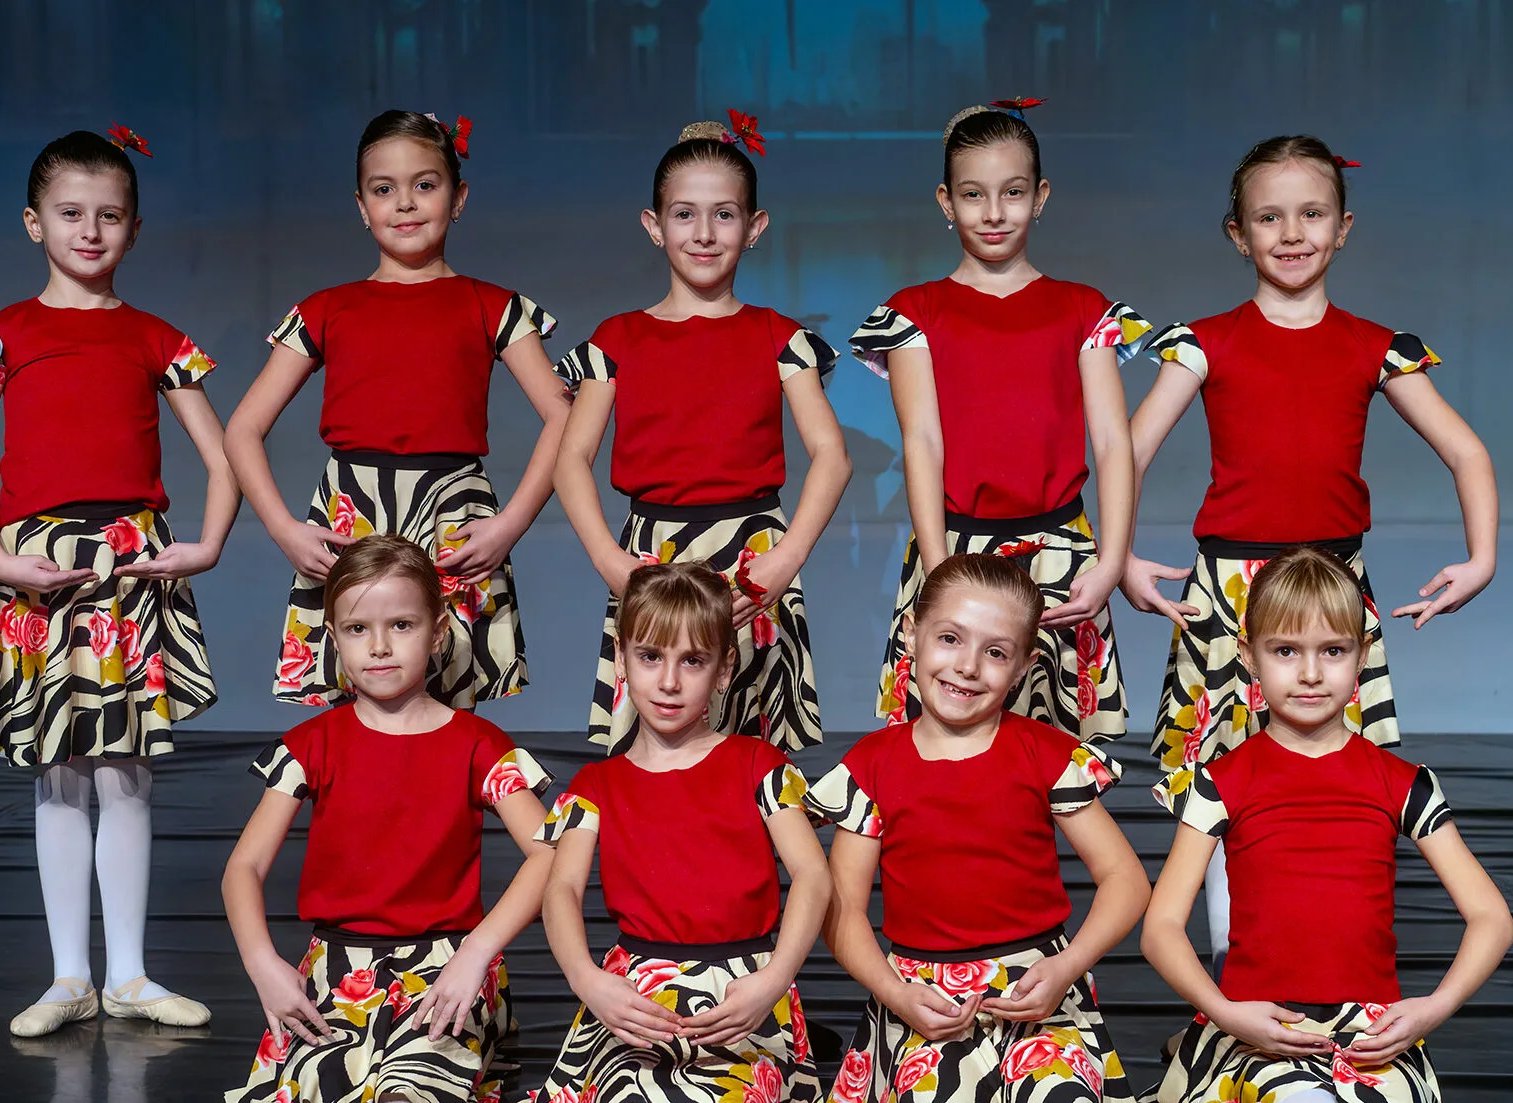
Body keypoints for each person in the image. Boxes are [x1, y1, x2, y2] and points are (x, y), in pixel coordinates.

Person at [1123, 135, 1499, 974]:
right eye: (1270, 217)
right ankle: (1238, 964)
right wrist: (1117, 559)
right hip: (1231, 592)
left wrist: (1482, 559)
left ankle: (1327, 956)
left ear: (1343, 227)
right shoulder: (1203, 343)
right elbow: (1127, 452)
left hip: (1331, 591)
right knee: (1224, 778)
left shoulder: (1375, 345)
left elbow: (1467, 451)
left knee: (1331, 778)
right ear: (1237, 233)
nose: (1292, 233)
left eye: (1311, 214)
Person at [0, 126, 237, 1036]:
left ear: (135, 229)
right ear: (35, 222)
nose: (90, 231)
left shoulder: (156, 338)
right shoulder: (3, 335)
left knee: (126, 771)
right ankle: (69, 976)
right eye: (71, 213)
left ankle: (131, 975)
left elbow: (222, 458)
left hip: (126, 565)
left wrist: (207, 545)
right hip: (37, 569)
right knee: (59, 770)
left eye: (110, 215)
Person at [1141, 547, 1512, 1103]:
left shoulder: (1401, 781)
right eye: (1286, 651)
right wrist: (1228, 1013)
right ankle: (1225, 1077)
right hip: (1263, 1024)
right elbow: (1160, 929)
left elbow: (1492, 918)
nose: (1310, 674)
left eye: (1332, 651)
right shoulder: (1220, 781)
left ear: (1362, 657)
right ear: (1250, 657)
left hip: (1369, 1034)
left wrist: (1431, 1009)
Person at [808, 553, 1159, 1103]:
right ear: (911, 635)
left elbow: (1126, 879)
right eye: (950, 639)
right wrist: (895, 994)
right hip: (926, 1002)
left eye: (995, 652)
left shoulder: (1043, 752)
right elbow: (843, 912)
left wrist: (1066, 967)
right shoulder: (872, 765)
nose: (967, 666)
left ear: (1024, 667)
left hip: (1036, 992)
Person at [223, 110, 567, 709]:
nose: (405, 203)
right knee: (358, 689)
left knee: (450, 690)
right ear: (362, 206)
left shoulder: (493, 306)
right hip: (353, 512)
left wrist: (511, 523)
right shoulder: (326, 310)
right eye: (384, 189)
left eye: (424, 185)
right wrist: (283, 528)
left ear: (459, 198)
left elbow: (565, 417)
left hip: (453, 512)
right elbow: (243, 429)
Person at [224, 536, 554, 1103]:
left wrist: (477, 952)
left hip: (447, 964)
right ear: (333, 638)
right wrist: (262, 963)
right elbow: (243, 868)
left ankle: (457, 1046)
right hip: (339, 966)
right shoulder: (311, 744)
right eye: (358, 629)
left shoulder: (479, 745)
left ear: (438, 631)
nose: (379, 647)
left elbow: (548, 853)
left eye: (401, 625)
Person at [554, 112, 851, 754]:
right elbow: (571, 458)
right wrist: (611, 561)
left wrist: (785, 560)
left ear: (755, 227)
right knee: (655, 750)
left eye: (724, 215)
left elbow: (832, 454)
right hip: (651, 559)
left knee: (754, 756)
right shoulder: (618, 338)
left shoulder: (779, 336)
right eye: (685, 214)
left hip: (754, 559)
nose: (705, 233)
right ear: (654, 225)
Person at [852, 99, 1148, 739]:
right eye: (973, 194)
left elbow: (1112, 443)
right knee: (945, 746)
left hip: (1062, 557)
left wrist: (1110, 563)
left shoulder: (1084, 309)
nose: (993, 212)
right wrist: (939, 570)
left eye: (1012, 192)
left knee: (1062, 756)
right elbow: (922, 442)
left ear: (1040, 197)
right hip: (954, 548)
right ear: (946, 201)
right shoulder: (915, 311)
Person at [520, 563, 830, 1103]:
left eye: (692, 661)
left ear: (724, 670)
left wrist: (772, 981)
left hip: (739, 990)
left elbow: (813, 876)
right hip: (639, 998)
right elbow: (561, 889)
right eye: (650, 657)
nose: (668, 681)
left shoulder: (758, 764)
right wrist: (589, 981)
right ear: (621, 659)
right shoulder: (597, 784)